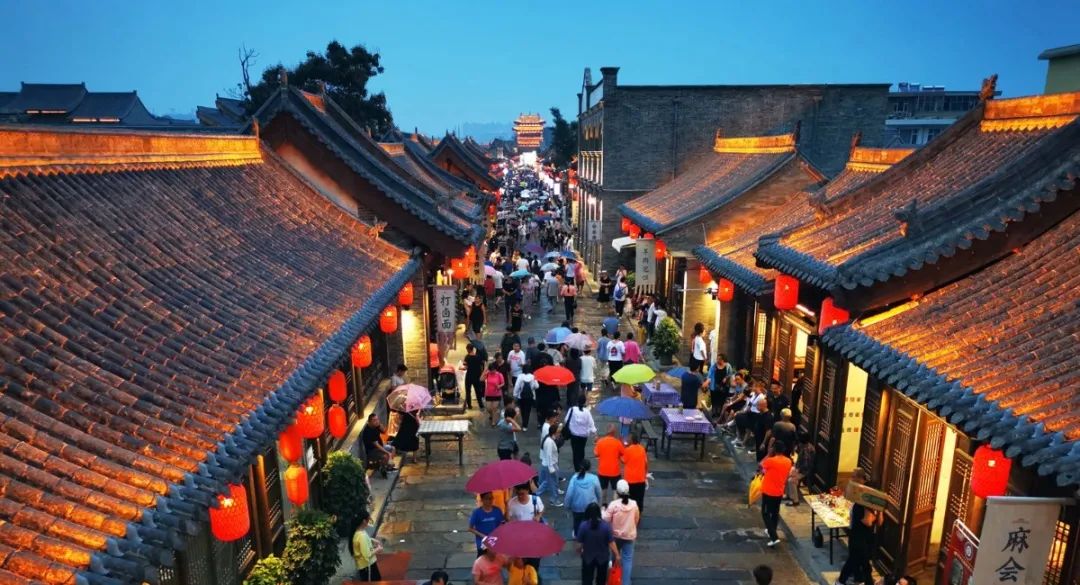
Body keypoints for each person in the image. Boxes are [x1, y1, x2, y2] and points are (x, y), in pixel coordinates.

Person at [837, 469, 881, 585]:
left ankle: (852, 580)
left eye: (853, 476)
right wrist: (873, 512)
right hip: (858, 536)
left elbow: (876, 522)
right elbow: (868, 522)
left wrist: (880, 511)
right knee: (859, 562)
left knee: (857, 561)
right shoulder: (861, 505)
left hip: (864, 538)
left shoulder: (871, 507)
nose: (852, 478)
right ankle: (845, 581)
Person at [602, 480, 640, 585]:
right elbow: (636, 519)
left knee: (615, 556)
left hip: (616, 536)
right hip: (629, 535)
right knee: (628, 559)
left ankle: (614, 577)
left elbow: (606, 519)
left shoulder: (614, 505)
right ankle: (625, 582)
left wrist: (603, 511)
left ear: (617, 492)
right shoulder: (634, 504)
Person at [759, 441, 793, 548]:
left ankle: (774, 537)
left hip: (768, 491)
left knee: (765, 513)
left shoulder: (770, 461)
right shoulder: (788, 461)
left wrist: (768, 454)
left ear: (774, 449)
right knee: (774, 513)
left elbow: (761, 466)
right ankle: (772, 530)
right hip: (779, 491)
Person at [576, 502, 618, 585]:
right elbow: (611, 542)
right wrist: (617, 554)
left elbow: (579, 544)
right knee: (601, 579)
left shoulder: (583, 526)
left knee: (587, 579)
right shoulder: (606, 526)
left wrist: (579, 550)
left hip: (588, 556)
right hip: (603, 557)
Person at [565, 460, 602, 537]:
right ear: (590, 468)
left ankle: (577, 534)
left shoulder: (574, 478)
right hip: (591, 506)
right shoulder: (594, 478)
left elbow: (569, 494)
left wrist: (567, 506)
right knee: (591, 521)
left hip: (577, 506)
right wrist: (599, 503)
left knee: (577, 522)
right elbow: (599, 492)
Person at [594, 424, 625, 503]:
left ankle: (603, 505)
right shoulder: (617, 443)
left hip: (603, 471)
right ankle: (615, 506)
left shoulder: (600, 442)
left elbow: (596, 454)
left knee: (603, 489)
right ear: (614, 432)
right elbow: (623, 453)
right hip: (615, 471)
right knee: (615, 490)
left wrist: (596, 443)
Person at [565, 395, 597, 471]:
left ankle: (577, 468)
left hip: (574, 435)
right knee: (581, 450)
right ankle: (582, 465)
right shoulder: (587, 412)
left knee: (575, 451)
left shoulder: (572, 409)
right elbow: (591, 423)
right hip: (583, 436)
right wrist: (594, 432)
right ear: (584, 402)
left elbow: (566, 420)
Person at [537, 423, 564, 507]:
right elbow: (549, 455)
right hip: (550, 465)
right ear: (554, 433)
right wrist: (551, 468)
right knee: (553, 483)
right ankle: (554, 500)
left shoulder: (549, 439)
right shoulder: (549, 442)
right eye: (558, 432)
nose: (559, 434)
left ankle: (536, 493)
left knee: (547, 482)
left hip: (548, 464)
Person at [351, 511, 382, 581]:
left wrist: (372, 540)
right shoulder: (362, 536)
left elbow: (361, 541)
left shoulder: (358, 532)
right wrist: (378, 549)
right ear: (364, 521)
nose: (369, 521)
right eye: (369, 519)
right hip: (368, 566)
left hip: (364, 566)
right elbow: (367, 555)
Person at [361, 414, 395, 478]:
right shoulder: (368, 431)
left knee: (393, 448)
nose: (376, 421)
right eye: (374, 420)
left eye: (377, 419)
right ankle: (383, 469)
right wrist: (387, 453)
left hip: (380, 446)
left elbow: (384, 431)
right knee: (385, 456)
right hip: (372, 451)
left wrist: (380, 425)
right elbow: (377, 445)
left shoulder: (376, 426)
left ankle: (388, 466)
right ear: (369, 421)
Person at [787, 432, 816, 506]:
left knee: (791, 480)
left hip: (804, 471)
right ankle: (789, 495)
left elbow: (805, 465)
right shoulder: (807, 446)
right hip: (799, 468)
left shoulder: (807, 450)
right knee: (787, 474)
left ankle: (795, 500)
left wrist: (797, 470)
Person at [623, 433, 648, 514]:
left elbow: (624, 460)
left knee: (630, 498)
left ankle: (630, 514)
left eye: (628, 438)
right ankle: (639, 513)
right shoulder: (642, 449)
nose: (627, 439)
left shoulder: (628, 450)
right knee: (640, 499)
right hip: (641, 479)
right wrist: (645, 474)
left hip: (630, 480)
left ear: (631, 440)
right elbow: (646, 463)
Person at [514, 366, 539, 431]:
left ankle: (523, 421)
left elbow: (517, 386)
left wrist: (515, 395)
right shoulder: (533, 376)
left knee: (522, 410)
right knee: (527, 411)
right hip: (530, 397)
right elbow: (537, 386)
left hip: (521, 396)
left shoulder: (520, 376)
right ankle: (525, 426)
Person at [463, 343, 486, 410]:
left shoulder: (467, 357)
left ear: (468, 349)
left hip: (469, 376)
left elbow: (465, 366)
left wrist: (462, 368)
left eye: (467, 349)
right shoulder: (478, 357)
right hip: (477, 376)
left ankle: (469, 406)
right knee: (478, 391)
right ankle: (481, 405)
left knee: (468, 391)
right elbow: (482, 365)